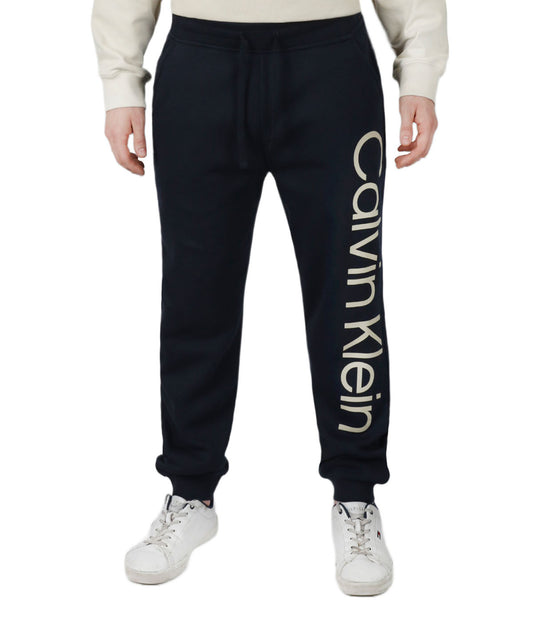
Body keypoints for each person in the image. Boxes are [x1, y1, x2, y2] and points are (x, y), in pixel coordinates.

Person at [91, 0, 448, 596]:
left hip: (331, 67)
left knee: (350, 289)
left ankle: (356, 498)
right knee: (195, 293)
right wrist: (120, 81)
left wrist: (420, 73)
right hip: (201, 63)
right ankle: (190, 492)